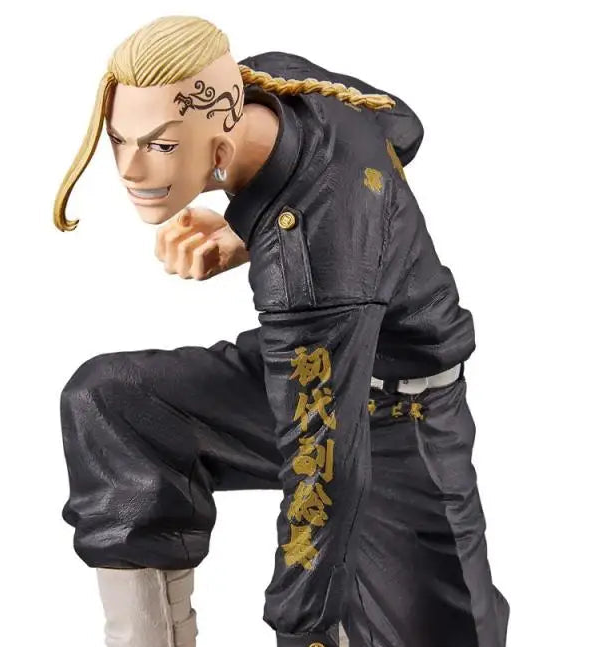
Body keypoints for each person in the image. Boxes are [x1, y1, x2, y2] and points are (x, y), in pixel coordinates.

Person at [54, 14, 510, 647]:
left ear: (220, 145)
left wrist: (303, 630)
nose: (130, 168)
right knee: (113, 403)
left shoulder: (309, 262)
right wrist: (250, 223)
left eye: (159, 146)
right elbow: (401, 125)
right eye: (118, 140)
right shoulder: (277, 82)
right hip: (311, 365)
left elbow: (321, 471)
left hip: (405, 429)